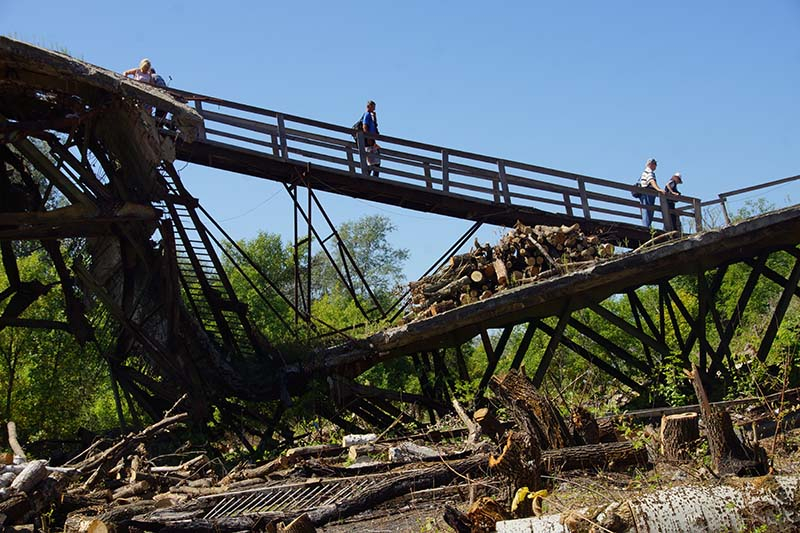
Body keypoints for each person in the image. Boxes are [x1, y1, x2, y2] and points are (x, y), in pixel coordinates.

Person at [639, 158, 663, 229]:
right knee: (648, 210)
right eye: (655, 164)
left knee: (646, 210)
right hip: (648, 193)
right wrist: (658, 189)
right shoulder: (649, 171)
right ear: (651, 164)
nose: (656, 166)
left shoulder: (645, 172)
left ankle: (646, 226)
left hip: (645, 193)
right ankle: (647, 227)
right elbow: (651, 181)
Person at [361, 100, 380, 177]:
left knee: (376, 160)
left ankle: (371, 176)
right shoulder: (367, 115)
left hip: (372, 140)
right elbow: (364, 126)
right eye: (373, 107)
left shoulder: (371, 116)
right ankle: (368, 176)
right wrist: (368, 137)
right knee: (373, 161)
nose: (374, 109)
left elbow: (375, 126)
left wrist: (375, 117)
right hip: (369, 141)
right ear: (368, 106)